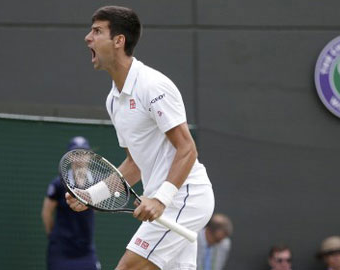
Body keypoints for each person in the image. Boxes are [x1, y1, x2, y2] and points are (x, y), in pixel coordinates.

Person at [66, 6, 215, 270]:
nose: (88, 38)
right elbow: (134, 165)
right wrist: (91, 196)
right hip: (169, 202)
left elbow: (187, 149)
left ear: (119, 41)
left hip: (185, 199)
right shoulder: (113, 100)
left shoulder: (153, 86)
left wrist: (160, 200)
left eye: (97, 31)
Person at [41, 136, 101, 270]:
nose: (79, 158)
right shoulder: (58, 183)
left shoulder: (96, 184)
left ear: (89, 156)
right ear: (69, 157)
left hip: (85, 249)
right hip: (61, 249)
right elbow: (46, 212)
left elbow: (98, 208)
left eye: (83, 154)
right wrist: (53, 237)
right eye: (75, 154)